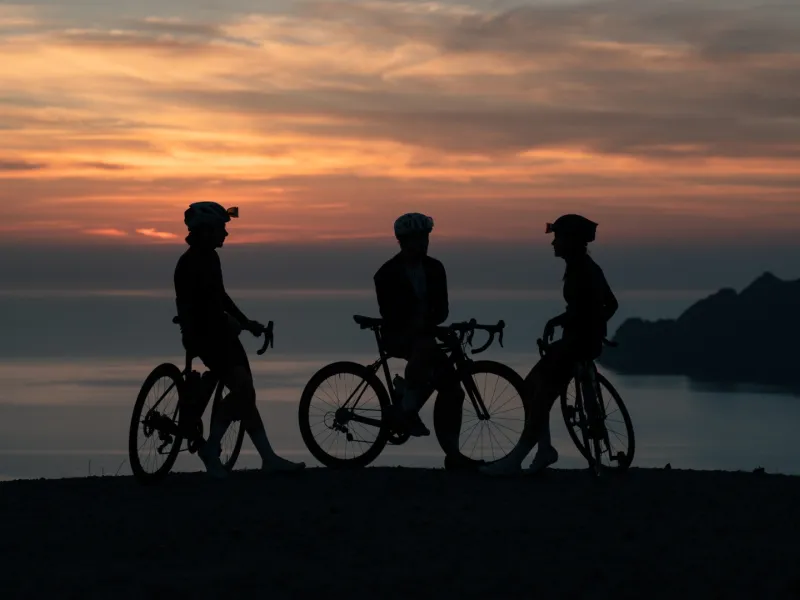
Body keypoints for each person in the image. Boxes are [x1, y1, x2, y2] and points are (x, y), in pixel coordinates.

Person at [174, 201, 305, 479]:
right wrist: (233, 324)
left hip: (221, 333)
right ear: (206, 230)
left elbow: (221, 297)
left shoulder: (210, 258)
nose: (226, 234)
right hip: (208, 337)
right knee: (244, 390)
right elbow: (196, 306)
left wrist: (245, 323)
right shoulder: (190, 263)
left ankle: (267, 457)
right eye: (222, 228)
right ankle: (212, 449)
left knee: (246, 393)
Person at [480, 214, 618, 476]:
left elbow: (584, 310)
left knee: (540, 396)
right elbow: (609, 305)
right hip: (577, 342)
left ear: (572, 241)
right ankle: (544, 450)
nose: (553, 243)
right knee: (531, 388)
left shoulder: (583, 270)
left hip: (575, 346)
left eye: (558, 238)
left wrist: (569, 323)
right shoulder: (586, 267)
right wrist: (595, 328)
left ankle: (517, 459)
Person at [373, 212, 467, 467]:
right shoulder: (387, 273)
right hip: (397, 336)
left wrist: (428, 323)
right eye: (418, 238)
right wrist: (421, 323)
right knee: (424, 349)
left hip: (424, 334)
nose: (424, 243)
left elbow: (442, 310)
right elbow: (391, 314)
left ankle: (453, 454)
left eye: (426, 237)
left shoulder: (435, 268)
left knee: (453, 391)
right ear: (404, 241)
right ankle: (407, 409)